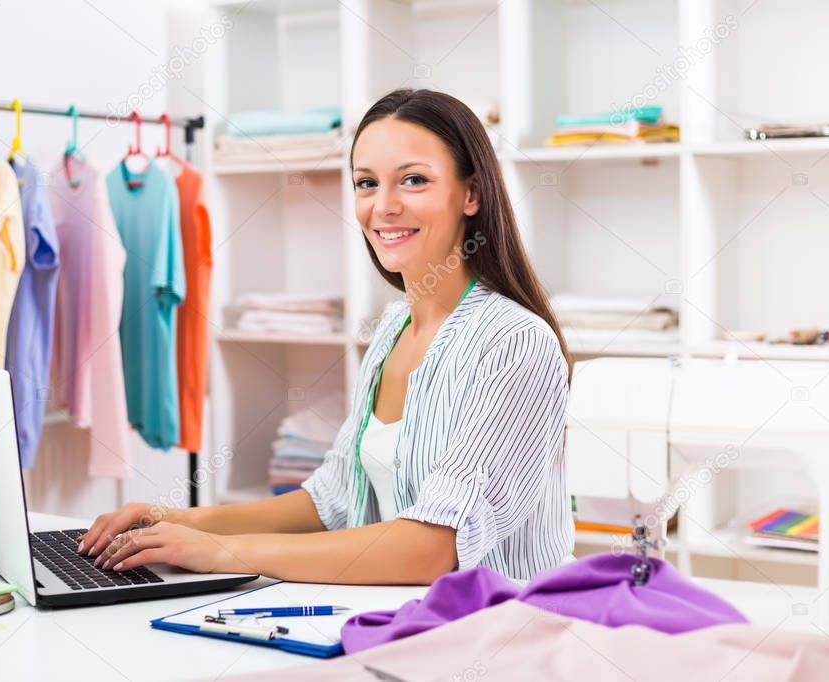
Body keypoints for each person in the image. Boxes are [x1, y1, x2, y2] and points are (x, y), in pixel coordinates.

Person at [77, 88, 574, 584]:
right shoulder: (392, 332)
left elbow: (432, 548)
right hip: (401, 624)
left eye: (414, 180)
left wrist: (221, 552)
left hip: (504, 633)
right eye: (366, 183)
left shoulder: (516, 344)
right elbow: (333, 498)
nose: (384, 206)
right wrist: (175, 520)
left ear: (472, 193)